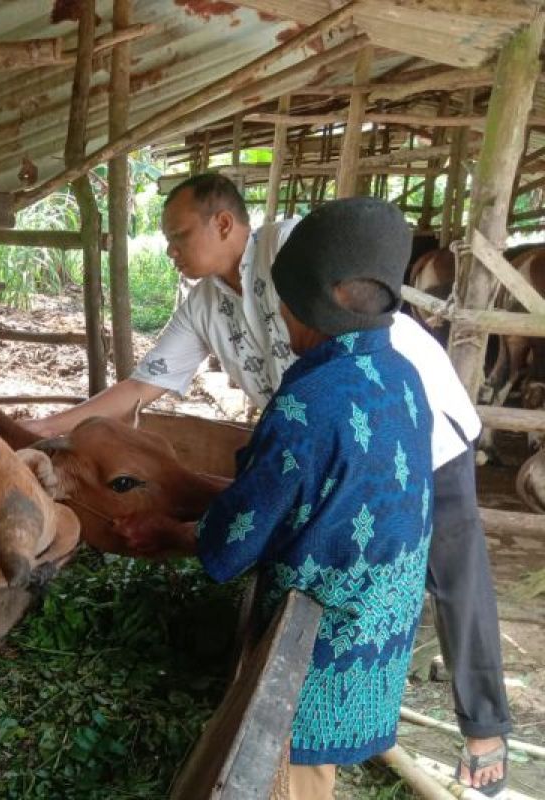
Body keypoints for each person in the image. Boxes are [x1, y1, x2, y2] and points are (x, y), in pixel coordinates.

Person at [24, 175, 512, 795]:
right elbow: (143, 387)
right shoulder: (206, 306)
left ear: (225, 225)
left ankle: (485, 729)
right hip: (346, 417)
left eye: (178, 235)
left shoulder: (299, 250)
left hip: (407, 427)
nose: (171, 249)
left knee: (454, 567)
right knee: (374, 560)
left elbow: (233, 543)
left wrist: (186, 539)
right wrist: (43, 427)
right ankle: (361, 711)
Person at [119, 197, 434, 798]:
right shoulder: (401, 376)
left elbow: (239, 537)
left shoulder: (308, 404)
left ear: (309, 303)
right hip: (383, 624)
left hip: (321, 648)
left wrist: (174, 536)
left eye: (285, 302)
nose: (281, 319)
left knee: (289, 778)